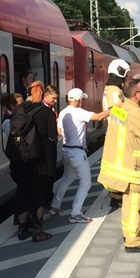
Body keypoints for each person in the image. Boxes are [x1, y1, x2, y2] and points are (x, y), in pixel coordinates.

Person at [98, 76, 140, 253]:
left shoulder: (121, 109)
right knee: (134, 204)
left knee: (138, 203)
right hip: (134, 168)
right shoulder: (134, 113)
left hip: (122, 164)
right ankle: (134, 241)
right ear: (135, 94)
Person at [48, 88, 110, 222]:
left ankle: (55, 205)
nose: (82, 101)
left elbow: (59, 131)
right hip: (77, 152)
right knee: (86, 182)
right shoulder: (79, 112)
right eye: (82, 98)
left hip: (66, 150)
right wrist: (115, 109)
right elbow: (99, 116)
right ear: (78, 100)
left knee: (67, 178)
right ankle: (75, 213)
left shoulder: (64, 112)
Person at [20, 81, 57, 242]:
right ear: (42, 94)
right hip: (42, 160)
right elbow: (52, 136)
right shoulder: (46, 112)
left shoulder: (19, 110)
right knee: (38, 196)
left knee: (23, 195)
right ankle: (38, 230)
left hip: (23, 159)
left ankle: (22, 230)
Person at [102, 58, 131, 208]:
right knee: (118, 164)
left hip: (115, 130)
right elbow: (115, 108)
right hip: (118, 132)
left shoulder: (110, 88)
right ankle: (116, 195)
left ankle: (115, 194)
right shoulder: (114, 90)